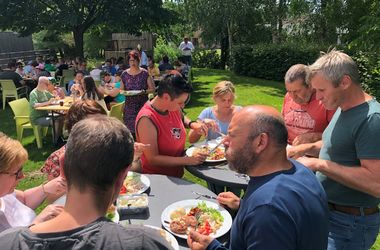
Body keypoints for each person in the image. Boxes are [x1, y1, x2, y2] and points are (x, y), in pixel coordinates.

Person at [0, 116, 172, 250]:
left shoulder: (7, 243)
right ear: (123, 177)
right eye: (16, 173)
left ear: (63, 166)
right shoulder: (146, 243)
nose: (21, 177)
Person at [187, 105, 329, 250]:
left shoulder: (267, 210)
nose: (224, 141)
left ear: (261, 142)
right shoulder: (301, 171)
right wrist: (244, 206)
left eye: (232, 135)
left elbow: (270, 213)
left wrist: (211, 249)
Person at [297, 50, 380, 250]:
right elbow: (334, 146)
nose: (317, 97)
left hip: (349, 224)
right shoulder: (343, 108)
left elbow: (376, 182)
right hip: (330, 214)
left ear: (344, 82)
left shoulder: (371, 119)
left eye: (322, 90)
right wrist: (298, 150)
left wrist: (319, 165)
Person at [136, 74, 209, 177]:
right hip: (158, 179)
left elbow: (182, 118)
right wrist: (187, 160)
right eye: (180, 103)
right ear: (166, 97)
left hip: (176, 175)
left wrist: (192, 124)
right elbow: (152, 159)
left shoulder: (171, 107)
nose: (182, 106)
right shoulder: (146, 119)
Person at [0, 133, 65, 233]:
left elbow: (24, 200)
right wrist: (36, 224)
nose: (22, 176)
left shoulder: (5, 195)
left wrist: (46, 188)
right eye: (17, 172)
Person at [282, 64, 335, 146]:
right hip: (288, 149)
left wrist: (315, 137)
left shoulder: (325, 101)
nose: (292, 97)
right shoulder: (288, 97)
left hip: (312, 154)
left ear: (310, 86)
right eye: (289, 91)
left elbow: (338, 136)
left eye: (297, 91)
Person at [121, 50, 155, 137]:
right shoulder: (124, 74)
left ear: (138, 60)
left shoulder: (144, 73)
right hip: (129, 108)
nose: (133, 62)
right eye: (131, 60)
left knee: (143, 131)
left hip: (142, 106)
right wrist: (125, 92)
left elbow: (152, 89)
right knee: (130, 133)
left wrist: (143, 91)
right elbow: (121, 90)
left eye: (134, 60)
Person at [29, 76, 64, 144]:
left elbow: (54, 98)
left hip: (45, 115)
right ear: (41, 83)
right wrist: (48, 102)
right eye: (47, 84)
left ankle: (59, 137)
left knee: (61, 117)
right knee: (55, 121)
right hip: (37, 118)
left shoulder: (44, 92)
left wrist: (56, 95)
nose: (48, 86)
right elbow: (35, 105)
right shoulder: (33, 93)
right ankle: (56, 141)